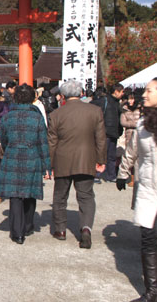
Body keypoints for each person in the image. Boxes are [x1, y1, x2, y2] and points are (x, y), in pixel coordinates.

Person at [116, 77, 157, 302]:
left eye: (151, 91)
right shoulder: (142, 124)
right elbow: (132, 151)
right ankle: (152, 294)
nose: (145, 94)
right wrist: (123, 172)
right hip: (148, 187)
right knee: (148, 238)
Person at [48, 79, 106, 249]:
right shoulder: (95, 111)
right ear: (81, 93)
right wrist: (100, 160)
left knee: (60, 196)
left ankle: (60, 230)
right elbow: (100, 139)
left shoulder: (56, 114)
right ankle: (86, 228)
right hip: (86, 158)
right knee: (86, 196)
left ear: (62, 95)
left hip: (62, 159)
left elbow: (52, 142)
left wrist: (49, 164)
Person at [0, 84, 50, 244]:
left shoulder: (7, 116)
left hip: (12, 154)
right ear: (32, 98)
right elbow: (43, 142)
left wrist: (8, 148)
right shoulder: (37, 117)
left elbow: (3, 139)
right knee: (30, 192)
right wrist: (47, 164)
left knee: (15, 195)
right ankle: (28, 224)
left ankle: (17, 232)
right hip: (32, 155)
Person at [92, 83, 124, 182]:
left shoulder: (117, 103)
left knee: (111, 156)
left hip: (113, 132)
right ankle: (97, 174)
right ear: (116, 91)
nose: (123, 93)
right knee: (101, 154)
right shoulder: (104, 101)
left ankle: (111, 175)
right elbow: (93, 106)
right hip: (104, 132)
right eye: (122, 91)